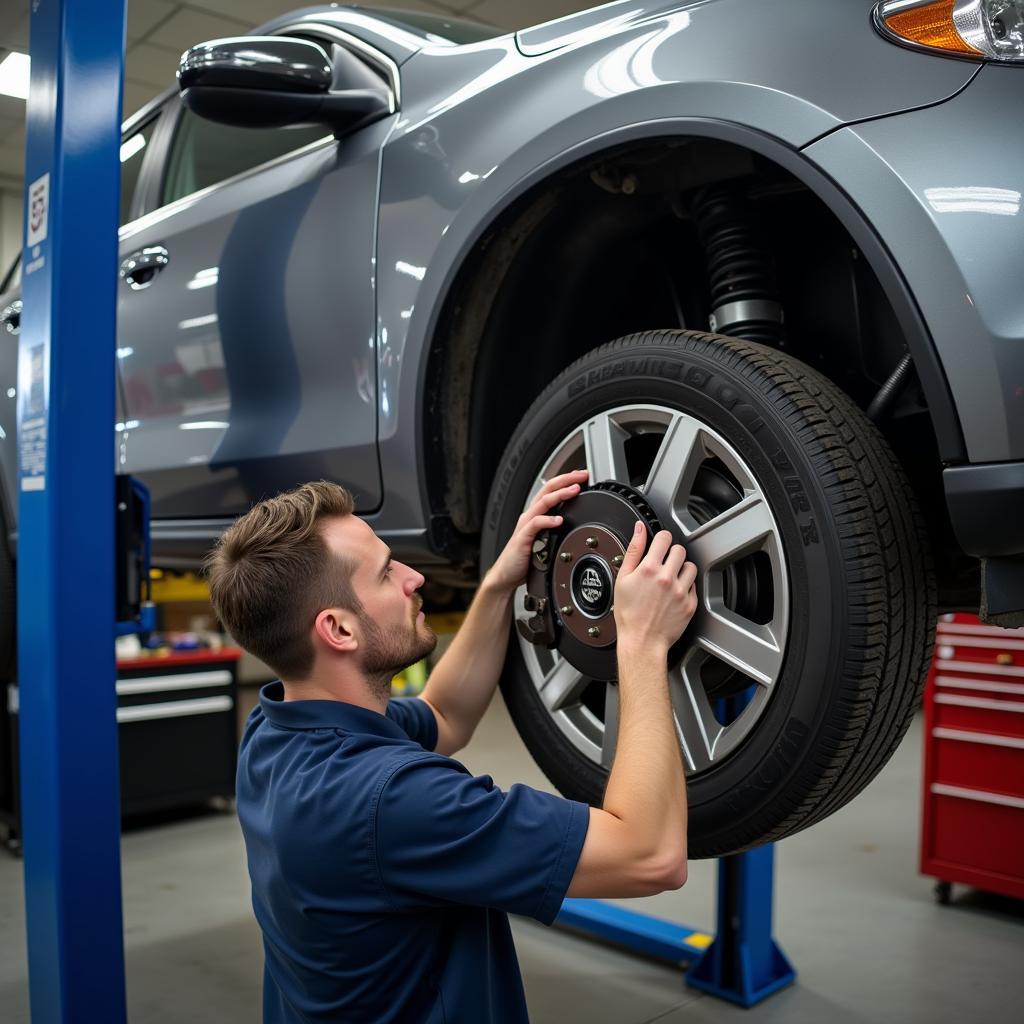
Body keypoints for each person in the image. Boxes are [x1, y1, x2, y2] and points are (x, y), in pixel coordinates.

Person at [205, 473, 698, 1023]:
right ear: (338, 630)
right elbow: (652, 856)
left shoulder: (274, 732)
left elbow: (445, 714)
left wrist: (498, 585)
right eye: (388, 573)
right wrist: (642, 641)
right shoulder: (392, 803)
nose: (415, 578)